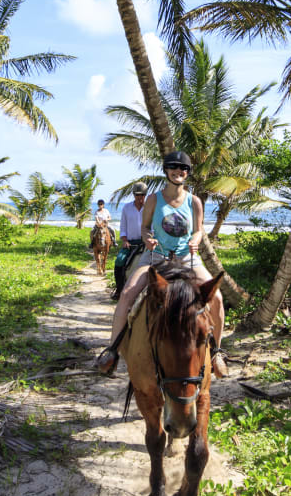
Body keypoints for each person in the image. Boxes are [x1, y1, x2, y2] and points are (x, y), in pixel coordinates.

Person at [96, 151, 227, 378]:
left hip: (187, 257)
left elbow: (198, 229)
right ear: (166, 170)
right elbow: (146, 227)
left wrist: (195, 240)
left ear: (187, 173)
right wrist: (147, 238)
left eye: (183, 168)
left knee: (216, 297)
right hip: (156, 257)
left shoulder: (194, 201)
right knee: (127, 292)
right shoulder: (154, 200)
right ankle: (112, 349)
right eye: (174, 167)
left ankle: (217, 352)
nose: (179, 171)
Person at [112, 181, 148, 300]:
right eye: (138, 195)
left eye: (142, 195)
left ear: (145, 195)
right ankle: (119, 289)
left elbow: (153, 227)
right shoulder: (127, 208)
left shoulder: (150, 207)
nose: (140, 198)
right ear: (134, 195)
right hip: (131, 243)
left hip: (146, 242)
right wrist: (125, 240)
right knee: (119, 261)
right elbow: (123, 227)